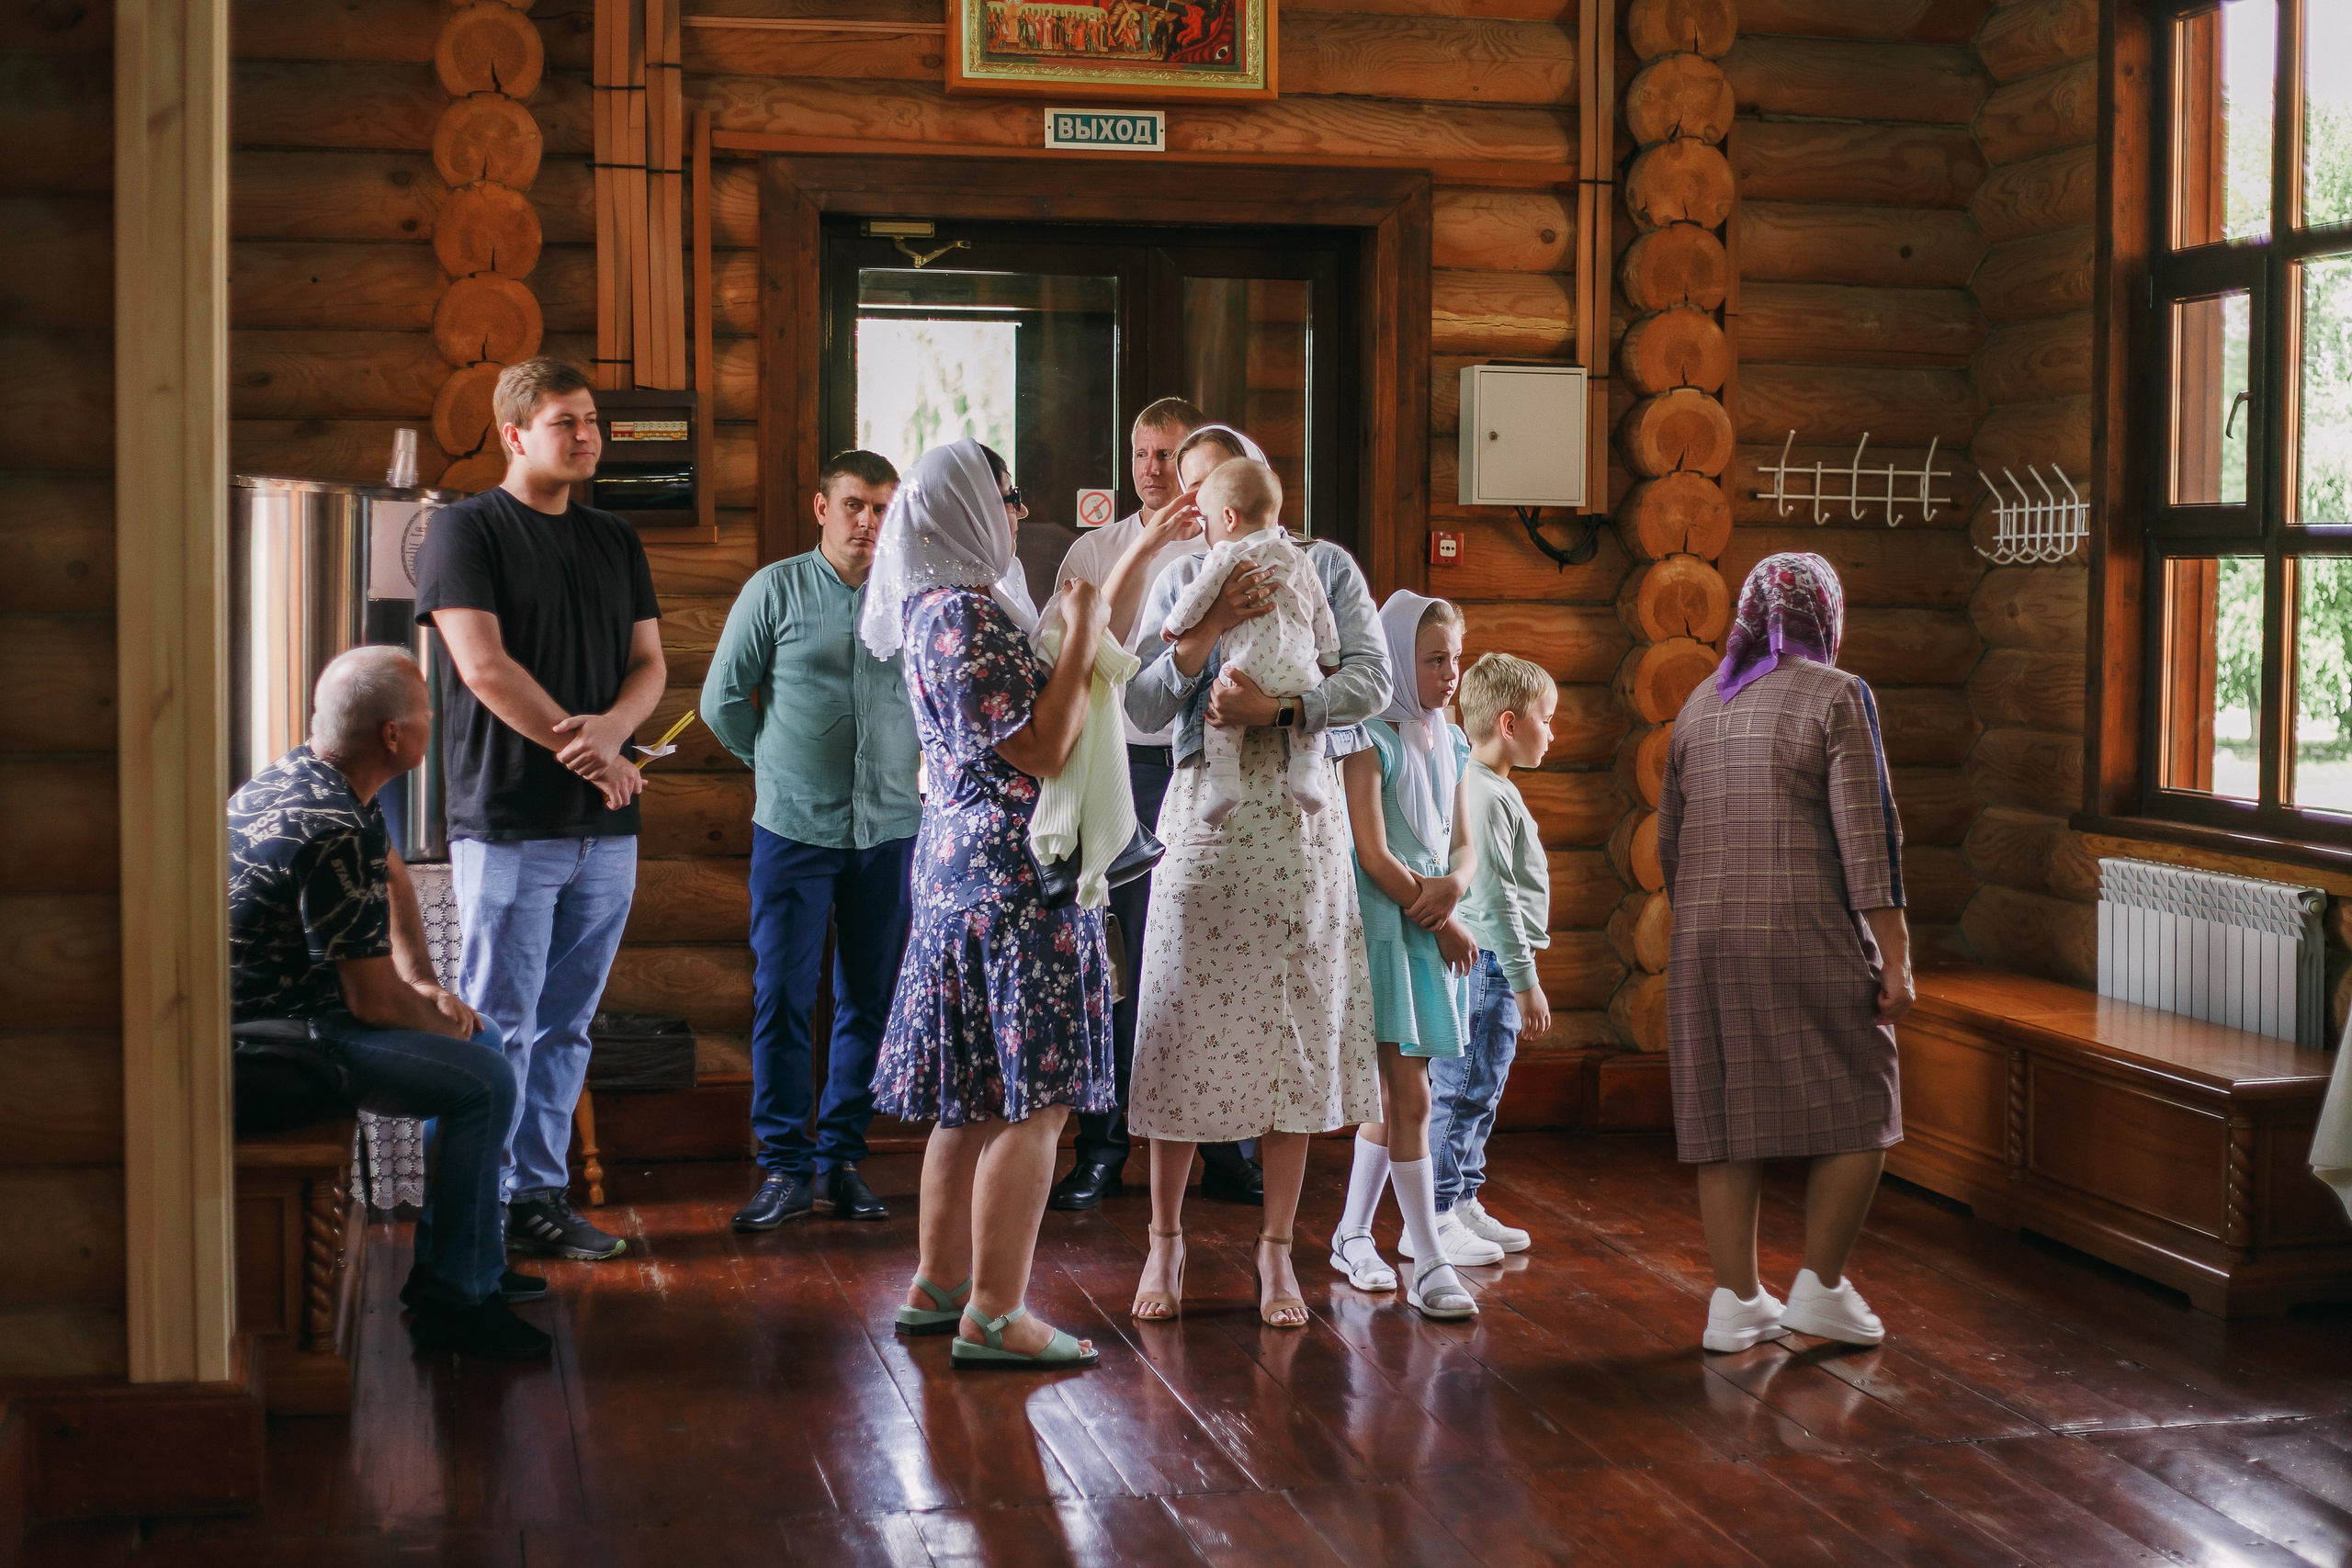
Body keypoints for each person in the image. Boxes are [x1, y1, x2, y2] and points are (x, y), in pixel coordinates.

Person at [860, 438, 1125, 1369]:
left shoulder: (931, 607)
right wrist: (1087, 626)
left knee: (968, 1098)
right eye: (1006, 496)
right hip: (1016, 880)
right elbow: (1045, 749)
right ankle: (996, 1312)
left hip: (956, 873)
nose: (1017, 513)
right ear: (970, 508)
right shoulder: (967, 617)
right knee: (1037, 1102)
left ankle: (939, 1284)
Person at [1122, 423, 1393, 1329]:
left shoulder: (1324, 568)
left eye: (1207, 497)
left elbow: (1372, 679)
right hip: (1205, 812)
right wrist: (1198, 639)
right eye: (1189, 505)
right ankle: (1165, 1236)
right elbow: (1141, 701)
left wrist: (1284, 707)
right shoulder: (1180, 578)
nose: (1200, 522)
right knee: (1176, 1019)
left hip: (1299, 819)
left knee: (1290, 1028)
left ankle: (1278, 1251)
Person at [229, 648, 549, 1359]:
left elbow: (393, 871)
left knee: (483, 1042)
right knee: (488, 1074)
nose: (435, 720)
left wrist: (429, 983)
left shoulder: (312, 777)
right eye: (427, 712)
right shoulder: (332, 823)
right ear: (394, 738)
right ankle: (459, 1308)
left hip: (291, 1017)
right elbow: (370, 1003)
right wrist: (434, 1016)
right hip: (268, 1045)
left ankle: (458, 1269)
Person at [413, 357, 665, 1263]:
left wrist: (615, 734)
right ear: (515, 434)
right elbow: (481, 667)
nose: (588, 435)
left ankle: (537, 1200)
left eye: (593, 419)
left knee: (567, 1027)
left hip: (607, 823)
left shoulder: (614, 538)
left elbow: (651, 666)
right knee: (496, 1027)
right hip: (512, 820)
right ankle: (465, 1224)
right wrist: (590, 749)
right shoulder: (465, 531)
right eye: (567, 421)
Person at [1657, 551, 1913, 1354]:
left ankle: (1735, 1303)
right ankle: (1821, 1287)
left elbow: (1669, 843)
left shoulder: (1701, 702)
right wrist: (1897, 957)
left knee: (1725, 1114)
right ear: (1825, 615)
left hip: (1703, 933)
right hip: (1802, 925)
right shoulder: (1839, 695)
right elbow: (1869, 843)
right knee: (1865, 1098)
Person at [1047, 397, 1266, 1213]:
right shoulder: (1097, 546)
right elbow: (1059, 649)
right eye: (1140, 452)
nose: (1151, 469)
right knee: (1117, 969)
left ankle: (1227, 1147)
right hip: (1119, 771)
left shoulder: (1242, 543)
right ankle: (1103, 1145)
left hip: (1214, 769)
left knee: (1208, 958)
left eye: (1167, 455)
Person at [701, 450, 915, 1232]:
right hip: (794, 828)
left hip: (892, 826)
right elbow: (723, 698)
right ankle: (784, 1167)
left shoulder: (915, 596)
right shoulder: (776, 589)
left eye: (883, 508)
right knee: (784, 996)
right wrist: (778, 762)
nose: (870, 522)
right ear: (822, 508)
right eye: (856, 505)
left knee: (869, 998)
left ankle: (841, 1163)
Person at [1328, 592, 1486, 1320]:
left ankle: (1351, 1231)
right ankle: (1428, 1259)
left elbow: (1464, 839)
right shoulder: (1369, 737)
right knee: (1410, 1096)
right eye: (1433, 659)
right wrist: (1434, 911)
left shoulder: (1449, 739)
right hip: (1389, 926)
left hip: (1428, 916)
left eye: (1455, 657)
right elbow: (1370, 849)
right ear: (1397, 659)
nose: (1450, 672)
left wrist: (1453, 888)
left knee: (1395, 1097)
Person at [1430, 651, 1557, 1257]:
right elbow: (1497, 897)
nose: (1552, 732)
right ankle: (1430, 1214)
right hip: (1488, 967)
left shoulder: (1490, 786)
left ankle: (1460, 1198)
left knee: (1483, 1086)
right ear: (1510, 724)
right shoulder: (1484, 793)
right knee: (1462, 1089)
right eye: (1546, 719)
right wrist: (1526, 978)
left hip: (1499, 966)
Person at [1159, 457, 1340, 824]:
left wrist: (1176, 626)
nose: (1204, 532)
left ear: (1228, 518)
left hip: (1245, 670)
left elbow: (1198, 595)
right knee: (1309, 723)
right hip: (1299, 670)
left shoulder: (1228, 554)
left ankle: (1224, 785)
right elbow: (1321, 612)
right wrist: (1331, 656)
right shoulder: (1299, 557)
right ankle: (1306, 777)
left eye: (1205, 521)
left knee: (1220, 720)